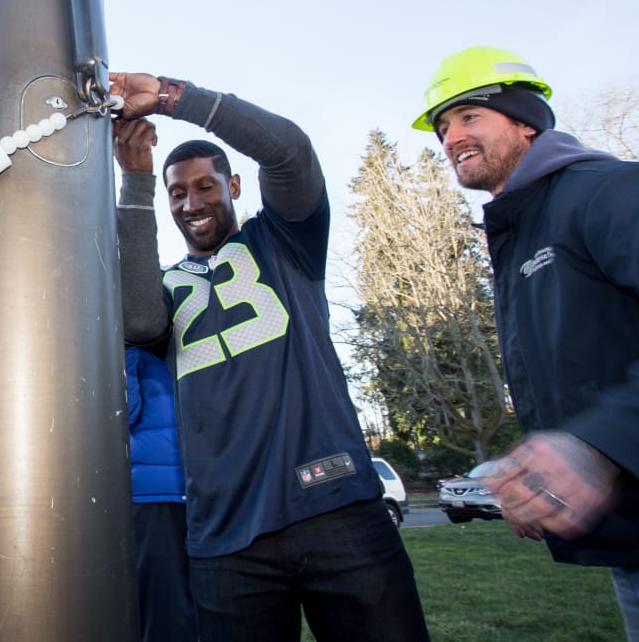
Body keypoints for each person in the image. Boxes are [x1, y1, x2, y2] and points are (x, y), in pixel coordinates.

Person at [110, 71, 429, 641]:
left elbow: (289, 152)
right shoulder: (167, 284)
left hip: (334, 510)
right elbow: (137, 320)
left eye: (205, 186)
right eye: (176, 193)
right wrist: (135, 182)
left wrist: (171, 98)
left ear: (233, 185)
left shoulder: (285, 241)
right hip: (225, 535)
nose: (191, 203)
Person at [413, 45, 639, 641]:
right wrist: (539, 471)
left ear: (524, 119)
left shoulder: (611, 191)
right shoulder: (522, 236)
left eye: (469, 117)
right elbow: (584, 368)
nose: (451, 139)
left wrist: (596, 449)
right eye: (442, 127)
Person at [125, 345, 195, 642]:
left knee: (163, 609)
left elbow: (119, 411)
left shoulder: (129, 353)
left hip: (151, 494)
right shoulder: (177, 356)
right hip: (181, 490)